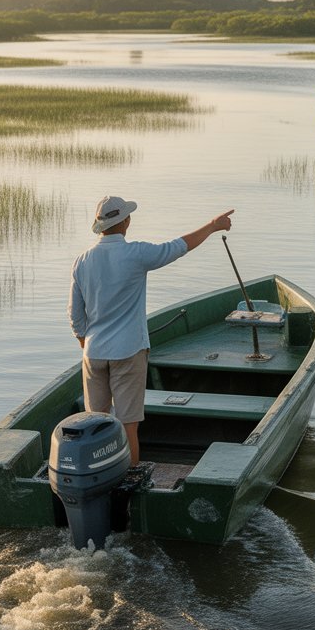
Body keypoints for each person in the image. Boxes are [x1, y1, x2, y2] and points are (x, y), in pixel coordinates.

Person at [68, 195, 234, 466]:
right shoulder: (136, 254)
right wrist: (212, 226)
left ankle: (98, 480)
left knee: (95, 426)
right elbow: (179, 247)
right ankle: (129, 483)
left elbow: (75, 315)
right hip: (127, 351)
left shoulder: (82, 261)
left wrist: (84, 342)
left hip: (93, 354)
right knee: (128, 426)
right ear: (126, 222)